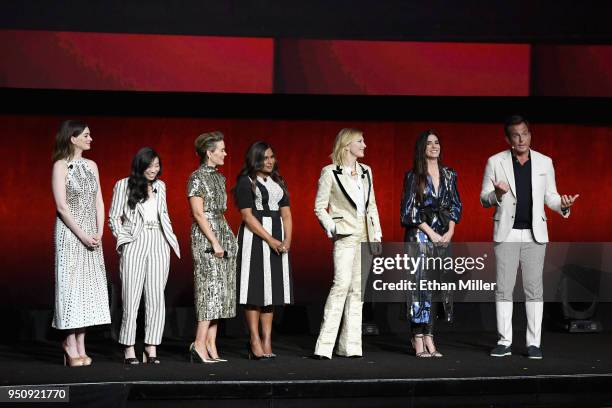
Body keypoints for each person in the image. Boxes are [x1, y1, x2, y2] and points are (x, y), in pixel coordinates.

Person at [480, 115, 579, 360]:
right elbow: (484, 198)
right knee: (504, 289)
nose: (521, 138)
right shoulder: (495, 161)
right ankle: (504, 341)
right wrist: (497, 194)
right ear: (508, 139)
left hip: (535, 233)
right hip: (507, 232)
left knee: (534, 290)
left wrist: (563, 205)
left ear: (530, 134)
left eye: (525, 133)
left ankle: (534, 343)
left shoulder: (545, 162)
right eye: (516, 134)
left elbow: (551, 197)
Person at [313, 128, 382, 359]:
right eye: (360, 141)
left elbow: (371, 205)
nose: (364, 145)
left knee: (357, 291)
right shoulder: (330, 172)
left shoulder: (366, 171)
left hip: (365, 233)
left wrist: (376, 235)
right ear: (347, 145)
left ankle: (350, 347)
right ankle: (324, 347)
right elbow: (319, 206)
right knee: (340, 285)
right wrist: (332, 226)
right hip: (345, 234)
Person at [108, 147, 180, 364]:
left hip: (158, 241)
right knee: (131, 296)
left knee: (156, 297)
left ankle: (151, 346)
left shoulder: (161, 186)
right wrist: (124, 240)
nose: (154, 170)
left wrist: (170, 239)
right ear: (140, 165)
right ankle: (129, 347)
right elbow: (114, 217)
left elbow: (164, 215)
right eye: (150, 165)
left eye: (157, 165)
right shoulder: (123, 185)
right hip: (135, 242)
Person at [51, 120, 111, 366]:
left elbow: (99, 200)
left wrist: (98, 231)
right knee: (71, 287)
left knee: (88, 288)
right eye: (86, 135)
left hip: (91, 234)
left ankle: (82, 344)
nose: (91, 139)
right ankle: (69, 343)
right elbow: (62, 207)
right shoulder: (60, 166)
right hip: (70, 233)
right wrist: (82, 235)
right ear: (72, 138)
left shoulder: (92, 165)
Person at [400, 130, 462, 358]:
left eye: (437, 142)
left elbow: (455, 204)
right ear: (421, 148)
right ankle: (417, 337)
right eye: (429, 143)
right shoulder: (413, 176)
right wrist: (431, 233)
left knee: (437, 287)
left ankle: (430, 336)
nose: (434, 146)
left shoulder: (449, 174)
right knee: (419, 287)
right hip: (420, 235)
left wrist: (450, 231)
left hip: (443, 235)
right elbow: (408, 212)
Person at [233, 141, 293, 359]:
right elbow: (247, 216)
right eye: (265, 157)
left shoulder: (278, 181)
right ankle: (254, 339)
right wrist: (270, 239)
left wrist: (287, 239)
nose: (270, 161)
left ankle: (267, 339)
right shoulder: (246, 181)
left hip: (277, 236)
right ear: (255, 159)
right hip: (256, 238)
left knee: (272, 292)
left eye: (272, 157)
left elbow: (286, 214)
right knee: (255, 290)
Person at [187, 131, 238, 363]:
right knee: (208, 289)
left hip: (222, 231)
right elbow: (198, 213)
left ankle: (211, 343)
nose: (226, 153)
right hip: (206, 235)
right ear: (210, 152)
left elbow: (221, 211)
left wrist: (228, 237)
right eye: (222, 150)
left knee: (221, 291)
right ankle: (198, 343)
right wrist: (215, 241)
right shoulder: (196, 177)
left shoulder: (220, 178)